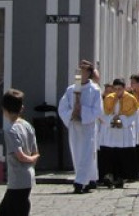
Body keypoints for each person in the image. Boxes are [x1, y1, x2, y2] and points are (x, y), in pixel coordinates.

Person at [57, 60, 103, 194]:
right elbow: (63, 107)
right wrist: (72, 113)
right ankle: (90, 179)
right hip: (75, 125)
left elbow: (97, 110)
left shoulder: (94, 89)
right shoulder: (71, 89)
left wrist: (82, 111)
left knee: (87, 153)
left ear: (88, 73)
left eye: (84, 71)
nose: (81, 74)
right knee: (77, 152)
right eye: (79, 71)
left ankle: (79, 182)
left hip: (87, 126)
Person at [0, 89, 39, 216]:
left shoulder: (10, 130)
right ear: (21, 108)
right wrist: (33, 159)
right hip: (28, 177)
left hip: (17, 180)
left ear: (4, 109)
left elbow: (19, 155)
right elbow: (35, 152)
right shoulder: (27, 126)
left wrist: (29, 159)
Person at [99, 78, 139, 188]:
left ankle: (121, 177)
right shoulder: (108, 98)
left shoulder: (130, 99)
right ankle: (109, 176)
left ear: (124, 88)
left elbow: (135, 112)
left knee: (123, 154)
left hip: (124, 130)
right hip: (111, 130)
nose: (117, 91)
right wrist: (111, 120)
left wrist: (122, 121)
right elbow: (102, 113)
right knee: (110, 153)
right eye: (115, 89)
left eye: (120, 89)